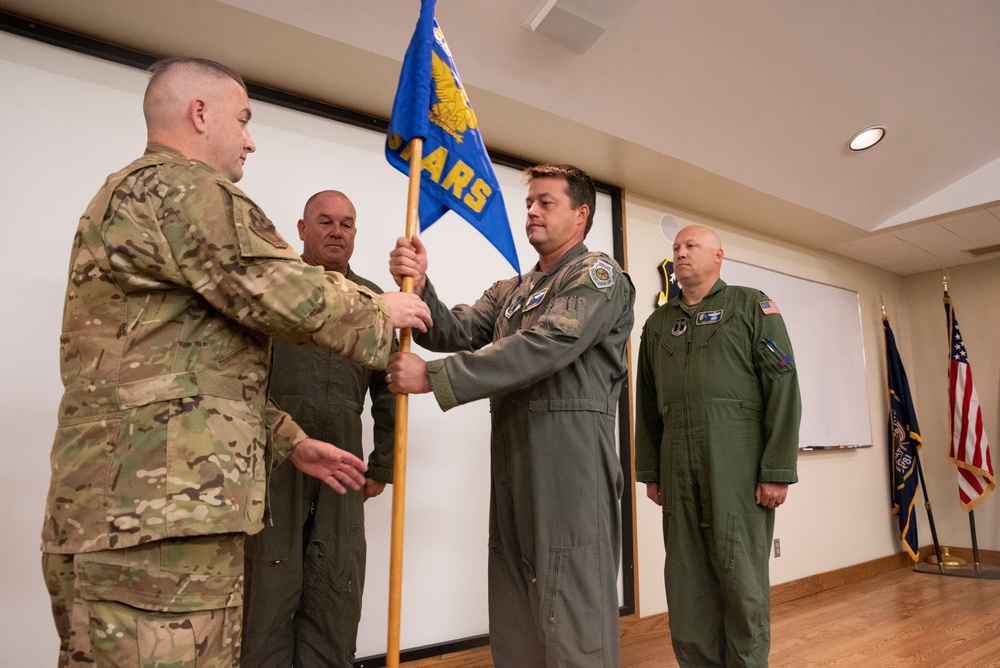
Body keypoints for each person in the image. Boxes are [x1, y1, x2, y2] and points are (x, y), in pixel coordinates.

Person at [39, 57, 431, 668]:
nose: (250, 139)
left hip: (132, 513)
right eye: (243, 119)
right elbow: (281, 289)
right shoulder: (183, 188)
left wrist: (289, 441)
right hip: (155, 523)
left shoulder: (129, 196)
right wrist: (385, 307)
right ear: (201, 114)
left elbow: (189, 374)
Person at [387, 164, 634, 668]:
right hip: (515, 453)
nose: (532, 212)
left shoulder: (597, 276)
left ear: (581, 214)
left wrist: (432, 377)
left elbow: (546, 345)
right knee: (516, 603)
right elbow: (455, 330)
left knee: (573, 606)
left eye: (546, 202)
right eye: (529, 203)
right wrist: (419, 281)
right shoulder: (512, 291)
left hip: (571, 458)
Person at [634, 224, 801, 667]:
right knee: (687, 580)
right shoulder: (657, 324)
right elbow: (646, 402)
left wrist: (777, 468)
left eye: (692, 246)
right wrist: (651, 471)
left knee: (740, 577)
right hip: (676, 463)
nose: (681, 253)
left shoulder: (751, 306)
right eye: (676, 247)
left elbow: (782, 383)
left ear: (718, 256)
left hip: (737, 462)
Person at [242, 191, 396, 667]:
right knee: (270, 574)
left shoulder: (375, 303)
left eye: (346, 223)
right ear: (302, 229)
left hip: (345, 459)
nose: (336, 231)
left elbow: (388, 390)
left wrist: (383, 464)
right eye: (325, 221)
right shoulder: (278, 293)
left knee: (337, 574)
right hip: (275, 457)